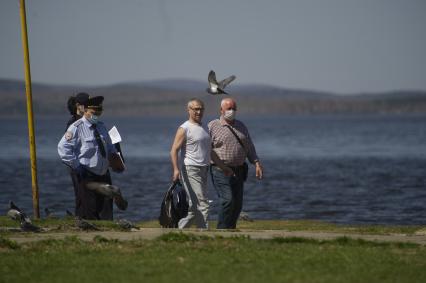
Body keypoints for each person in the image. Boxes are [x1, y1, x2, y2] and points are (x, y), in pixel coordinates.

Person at [58, 96, 124, 220]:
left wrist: (116, 160)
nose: (96, 116)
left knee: (103, 207)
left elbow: (110, 147)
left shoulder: (101, 126)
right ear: (86, 111)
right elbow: (63, 148)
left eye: (99, 113)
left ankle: (104, 234)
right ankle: (91, 235)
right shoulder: (76, 127)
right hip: (87, 175)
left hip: (103, 174)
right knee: (90, 209)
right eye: (94, 113)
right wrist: (76, 165)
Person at [170, 98, 232, 229]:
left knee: (194, 206)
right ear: (189, 110)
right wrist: (176, 170)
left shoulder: (204, 127)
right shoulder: (184, 128)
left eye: (201, 109)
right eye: (195, 109)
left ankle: (178, 231)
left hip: (204, 169)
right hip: (190, 169)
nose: (199, 112)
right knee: (203, 204)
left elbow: (210, 152)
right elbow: (174, 150)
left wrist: (223, 167)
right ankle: (203, 234)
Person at [208, 97, 264, 229]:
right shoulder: (213, 126)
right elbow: (206, 149)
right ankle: (221, 230)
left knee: (237, 204)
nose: (232, 111)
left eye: (234, 108)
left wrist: (256, 163)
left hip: (239, 169)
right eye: (229, 108)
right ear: (221, 110)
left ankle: (230, 229)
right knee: (227, 200)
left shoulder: (241, 125)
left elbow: (249, 146)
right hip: (220, 169)